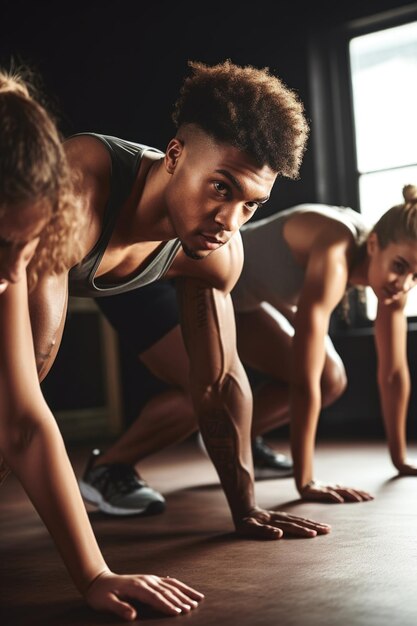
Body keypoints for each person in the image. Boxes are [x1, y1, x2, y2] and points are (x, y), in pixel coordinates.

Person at [32, 59, 331, 540]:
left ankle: (110, 469)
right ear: (174, 154)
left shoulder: (215, 251)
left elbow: (217, 382)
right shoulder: (79, 194)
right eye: (221, 187)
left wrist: (246, 507)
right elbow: (22, 391)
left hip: (125, 270)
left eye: (250, 204)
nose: (230, 220)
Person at [0, 69, 203, 622]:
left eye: (26, 245)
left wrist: (94, 574)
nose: (11, 270)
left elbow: (21, 422)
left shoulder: (8, 263)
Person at [81, 190, 417, 510]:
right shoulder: (336, 248)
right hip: (163, 274)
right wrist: (306, 482)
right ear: (374, 244)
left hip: (229, 297)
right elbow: (304, 377)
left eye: (416, 276)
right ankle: (108, 467)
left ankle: (238, 437)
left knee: (331, 379)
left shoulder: (391, 278)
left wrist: (400, 459)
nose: (403, 284)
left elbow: (393, 373)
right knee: (209, 387)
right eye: (400, 266)